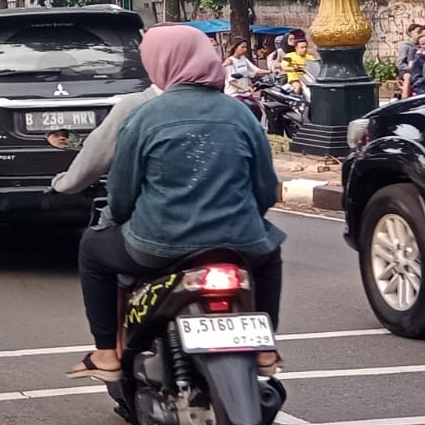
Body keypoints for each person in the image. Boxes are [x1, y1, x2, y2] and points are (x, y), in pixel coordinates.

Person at [68, 24, 284, 384]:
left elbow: (121, 195)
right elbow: (265, 189)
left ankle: (106, 351)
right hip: (241, 245)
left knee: (92, 249)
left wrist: (116, 221)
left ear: (159, 63)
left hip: (158, 247)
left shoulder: (144, 115)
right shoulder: (241, 114)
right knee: (270, 256)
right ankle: (264, 348)